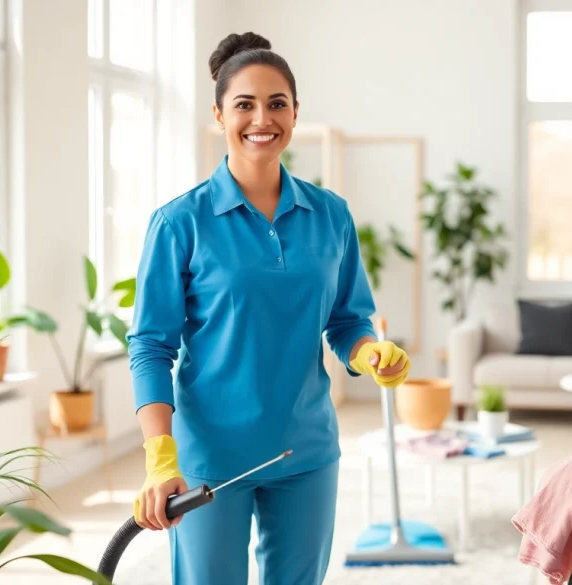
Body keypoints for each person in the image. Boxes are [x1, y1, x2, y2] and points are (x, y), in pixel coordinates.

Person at [126, 31, 411, 585]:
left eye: (277, 103)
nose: (263, 117)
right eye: (245, 104)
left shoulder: (332, 215)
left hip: (305, 450)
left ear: (296, 112)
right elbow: (150, 346)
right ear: (218, 114)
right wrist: (161, 456)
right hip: (208, 456)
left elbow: (348, 320)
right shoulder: (179, 223)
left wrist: (371, 351)